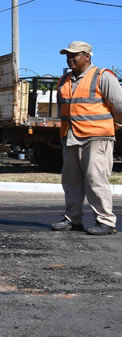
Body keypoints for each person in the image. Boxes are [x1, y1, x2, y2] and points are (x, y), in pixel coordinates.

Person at [51, 41, 122, 236]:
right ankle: (73, 219)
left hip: (97, 138)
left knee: (96, 179)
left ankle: (106, 221)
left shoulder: (102, 76)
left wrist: (117, 126)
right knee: (71, 181)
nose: (70, 58)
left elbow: (119, 105)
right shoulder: (63, 80)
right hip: (71, 136)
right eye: (68, 55)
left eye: (75, 55)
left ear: (87, 56)